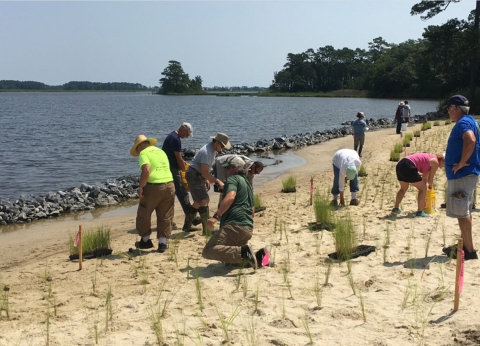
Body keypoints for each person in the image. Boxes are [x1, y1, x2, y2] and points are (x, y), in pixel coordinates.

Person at [202, 156, 268, 270]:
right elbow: (252, 211)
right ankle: (261, 256)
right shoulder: (248, 184)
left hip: (234, 227)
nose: (225, 171)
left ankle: (244, 252)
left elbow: (231, 197)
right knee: (230, 262)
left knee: (208, 251)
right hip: (247, 229)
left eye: (227, 168)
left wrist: (216, 217)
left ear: (234, 168)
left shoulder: (233, 179)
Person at [442, 95, 480, 260]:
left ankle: (469, 251)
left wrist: (462, 162)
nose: (448, 112)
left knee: (462, 212)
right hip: (466, 174)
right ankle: (466, 245)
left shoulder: (463, 123)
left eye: (449, 109)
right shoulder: (471, 120)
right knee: (464, 210)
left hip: (462, 175)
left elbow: (470, 140)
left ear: (455, 108)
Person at [130, 134, 175, 253]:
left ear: (139, 147)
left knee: (144, 212)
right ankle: (162, 243)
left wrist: (140, 187)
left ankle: (145, 240)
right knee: (166, 214)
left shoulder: (144, 153)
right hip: (169, 184)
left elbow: (146, 170)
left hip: (154, 186)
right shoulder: (161, 152)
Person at [185, 132, 230, 235]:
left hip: (198, 174)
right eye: (222, 146)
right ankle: (206, 230)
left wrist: (207, 179)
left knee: (198, 202)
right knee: (204, 200)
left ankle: (187, 226)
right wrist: (217, 180)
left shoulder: (212, 149)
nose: (222, 148)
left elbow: (205, 170)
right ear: (217, 142)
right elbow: (204, 171)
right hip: (194, 175)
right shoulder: (207, 152)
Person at [162, 122, 194, 231]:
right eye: (187, 134)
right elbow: (178, 158)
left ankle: (189, 216)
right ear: (183, 130)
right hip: (172, 169)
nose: (187, 137)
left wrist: (182, 162)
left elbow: (176, 157)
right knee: (182, 192)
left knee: (170, 195)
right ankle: (191, 216)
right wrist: (185, 173)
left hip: (167, 168)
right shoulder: (175, 139)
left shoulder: (172, 136)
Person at [391, 153, 445, 217]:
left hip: (401, 164)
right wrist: (430, 186)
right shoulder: (435, 163)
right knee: (423, 189)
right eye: (445, 163)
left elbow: (424, 178)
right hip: (408, 165)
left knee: (403, 188)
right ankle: (420, 212)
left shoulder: (430, 159)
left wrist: (425, 186)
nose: (444, 166)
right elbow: (430, 180)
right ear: (442, 160)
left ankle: (396, 208)